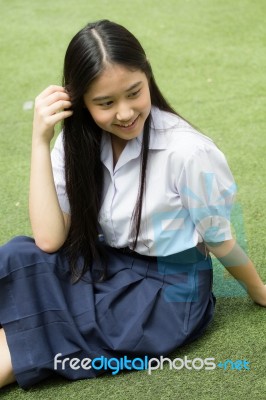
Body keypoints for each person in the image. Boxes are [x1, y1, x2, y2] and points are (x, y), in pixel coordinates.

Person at [0, 19, 265, 390]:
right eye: (105, 103)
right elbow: (48, 240)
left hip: (167, 292)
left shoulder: (187, 152)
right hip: (109, 264)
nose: (124, 113)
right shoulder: (79, 141)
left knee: (33, 336)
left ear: (147, 77)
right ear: (81, 102)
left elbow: (219, 238)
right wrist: (39, 141)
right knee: (18, 256)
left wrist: (259, 291)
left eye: (134, 93)